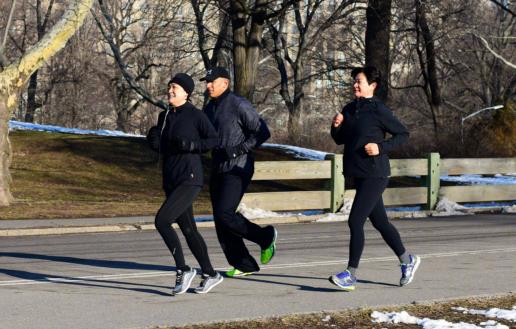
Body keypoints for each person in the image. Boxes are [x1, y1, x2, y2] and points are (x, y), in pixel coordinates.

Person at [329, 66, 420, 291]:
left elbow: (403, 134)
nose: (355, 85)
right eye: (354, 81)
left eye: (359, 81)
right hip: (358, 173)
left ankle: (351, 274)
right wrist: (336, 127)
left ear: (372, 85)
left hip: (376, 173)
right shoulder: (349, 109)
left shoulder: (379, 110)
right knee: (380, 222)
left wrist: (380, 147)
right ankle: (407, 259)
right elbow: (341, 140)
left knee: (355, 220)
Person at [147, 73, 223, 295]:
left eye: (175, 87)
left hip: (189, 179)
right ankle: (210, 273)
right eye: (169, 86)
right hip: (170, 179)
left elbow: (213, 140)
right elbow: (162, 145)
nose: (170, 90)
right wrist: (153, 140)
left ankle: (183, 269)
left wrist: (191, 145)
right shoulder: (165, 117)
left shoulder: (195, 116)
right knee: (189, 229)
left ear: (186, 93)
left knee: (162, 221)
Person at [200, 67, 277, 277]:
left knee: (225, 214)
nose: (208, 86)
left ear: (224, 83)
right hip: (218, 167)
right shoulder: (209, 108)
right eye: (206, 82)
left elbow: (263, 132)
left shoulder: (238, 104)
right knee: (221, 219)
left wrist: (238, 149)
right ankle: (244, 264)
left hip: (238, 167)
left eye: (211, 82)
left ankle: (265, 237)